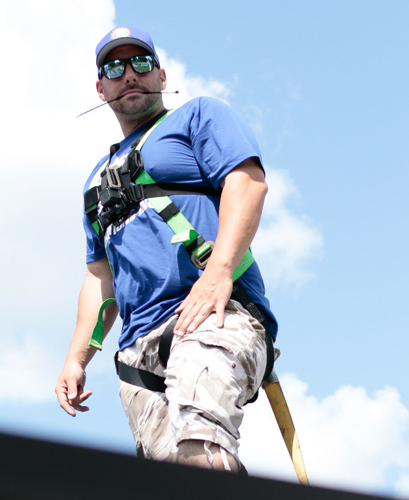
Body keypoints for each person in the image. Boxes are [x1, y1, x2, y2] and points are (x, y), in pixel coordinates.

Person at [55, 26, 278, 473]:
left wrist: (218, 273)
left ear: (160, 73)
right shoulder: (94, 183)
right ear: (101, 87)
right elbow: (100, 277)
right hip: (139, 350)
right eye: (114, 68)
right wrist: (76, 358)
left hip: (213, 313)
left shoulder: (198, 116)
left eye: (140, 63)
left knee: (200, 440)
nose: (129, 75)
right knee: (168, 479)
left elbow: (247, 183)